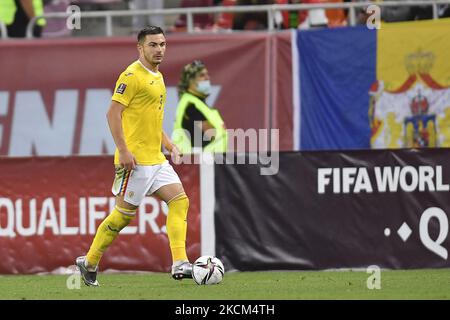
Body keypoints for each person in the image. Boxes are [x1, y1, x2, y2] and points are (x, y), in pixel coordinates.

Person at [76, 26, 192, 287]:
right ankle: (90, 261)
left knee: (180, 201)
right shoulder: (131, 76)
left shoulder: (158, 76)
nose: (159, 49)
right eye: (153, 45)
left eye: (162, 44)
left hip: (157, 160)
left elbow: (150, 118)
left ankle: (180, 262)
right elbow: (112, 113)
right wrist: (125, 151)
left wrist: (168, 143)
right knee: (122, 217)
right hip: (135, 161)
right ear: (140, 47)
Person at [172, 60, 228, 154]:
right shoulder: (192, 106)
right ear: (190, 81)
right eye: (202, 75)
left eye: (207, 74)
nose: (207, 78)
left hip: (210, 160)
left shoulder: (196, 102)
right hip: (203, 162)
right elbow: (211, 133)